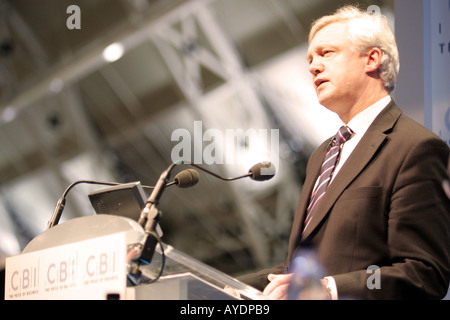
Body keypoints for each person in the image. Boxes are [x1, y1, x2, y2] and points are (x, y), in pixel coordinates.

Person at [239, 5, 450, 300]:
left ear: (372, 59)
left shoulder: (415, 147)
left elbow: (424, 273)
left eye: (327, 53)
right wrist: (214, 284)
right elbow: (299, 269)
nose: (313, 66)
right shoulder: (322, 155)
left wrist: (329, 288)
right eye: (310, 59)